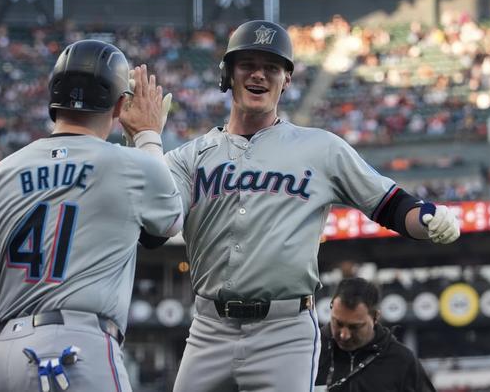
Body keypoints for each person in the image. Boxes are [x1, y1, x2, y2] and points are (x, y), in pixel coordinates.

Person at [124, 20, 460, 392]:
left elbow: (390, 204)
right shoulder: (190, 156)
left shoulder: (320, 148)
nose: (259, 75)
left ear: (286, 80)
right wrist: (141, 144)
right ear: (227, 75)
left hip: (284, 333)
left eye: (271, 67)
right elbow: (154, 232)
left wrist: (428, 218)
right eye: (247, 64)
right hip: (208, 328)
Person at [0, 40, 183, 392]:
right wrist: (147, 135)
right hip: (79, 350)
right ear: (120, 105)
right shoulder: (131, 165)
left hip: (3, 355)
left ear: (52, 98)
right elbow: (167, 222)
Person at [315, 277, 436, 391]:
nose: (344, 335)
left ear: (375, 317)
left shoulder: (401, 361)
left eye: (355, 327)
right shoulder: (311, 351)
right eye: (338, 323)